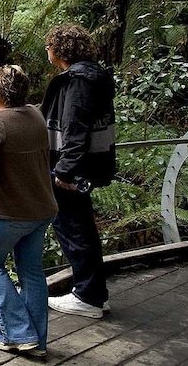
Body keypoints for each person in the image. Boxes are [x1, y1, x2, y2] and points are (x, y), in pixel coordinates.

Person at [0, 65, 57, 358]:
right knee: (32, 272)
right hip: (42, 207)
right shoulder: (35, 113)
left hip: (8, 212)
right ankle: (37, 341)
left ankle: (18, 334)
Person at [42, 24, 116, 319]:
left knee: (73, 229)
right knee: (82, 226)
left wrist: (65, 171)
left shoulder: (78, 81)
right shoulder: (93, 76)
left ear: (60, 50)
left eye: (48, 46)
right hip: (88, 165)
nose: (47, 51)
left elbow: (75, 129)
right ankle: (95, 294)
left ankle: (87, 296)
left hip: (73, 170)